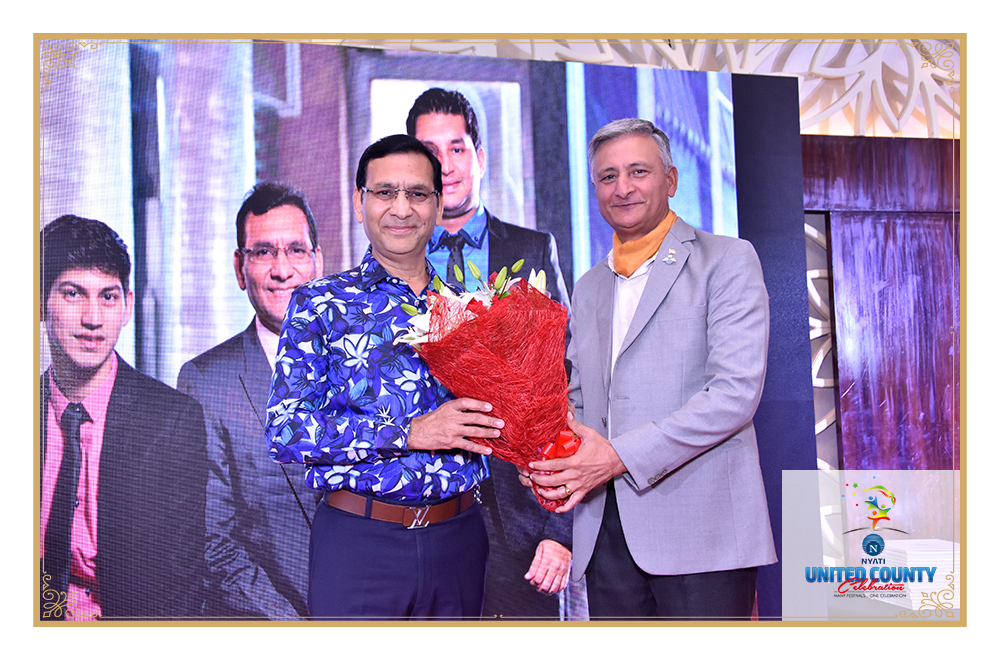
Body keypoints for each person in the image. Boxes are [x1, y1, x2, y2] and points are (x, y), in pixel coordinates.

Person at [524, 119, 777, 619]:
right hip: (605, 534)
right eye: (608, 176)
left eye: (638, 171)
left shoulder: (726, 260)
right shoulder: (589, 285)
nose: (623, 188)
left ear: (671, 179)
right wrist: (543, 454)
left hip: (701, 533)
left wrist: (617, 456)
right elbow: (581, 399)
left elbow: (733, 396)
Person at [265, 134, 504, 619]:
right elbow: (285, 431)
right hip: (359, 544)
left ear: (438, 206)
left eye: (417, 194)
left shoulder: (471, 307)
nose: (401, 208)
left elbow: (497, 420)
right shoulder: (320, 304)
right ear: (360, 203)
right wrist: (409, 432)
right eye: (384, 192)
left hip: (460, 538)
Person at [407, 87, 572, 617]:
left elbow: (568, 389)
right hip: (421, 524)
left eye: (457, 148)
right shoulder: (392, 264)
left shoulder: (531, 251)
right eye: (430, 152)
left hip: (524, 528)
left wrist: (560, 529)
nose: (446, 165)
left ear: (480, 156)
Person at [40, 215, 207, 620]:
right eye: (73, 294)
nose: (93, 318)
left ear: (128, 306)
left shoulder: (171, 422)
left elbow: (179, 592)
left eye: (108, 297)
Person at [177, 183, 323, 619]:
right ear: (240, 269)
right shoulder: (207, 383)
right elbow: (213, 543)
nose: (282, 270)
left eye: (296, 250)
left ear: (317, 261)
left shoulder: (369, 362)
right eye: (263, 252)